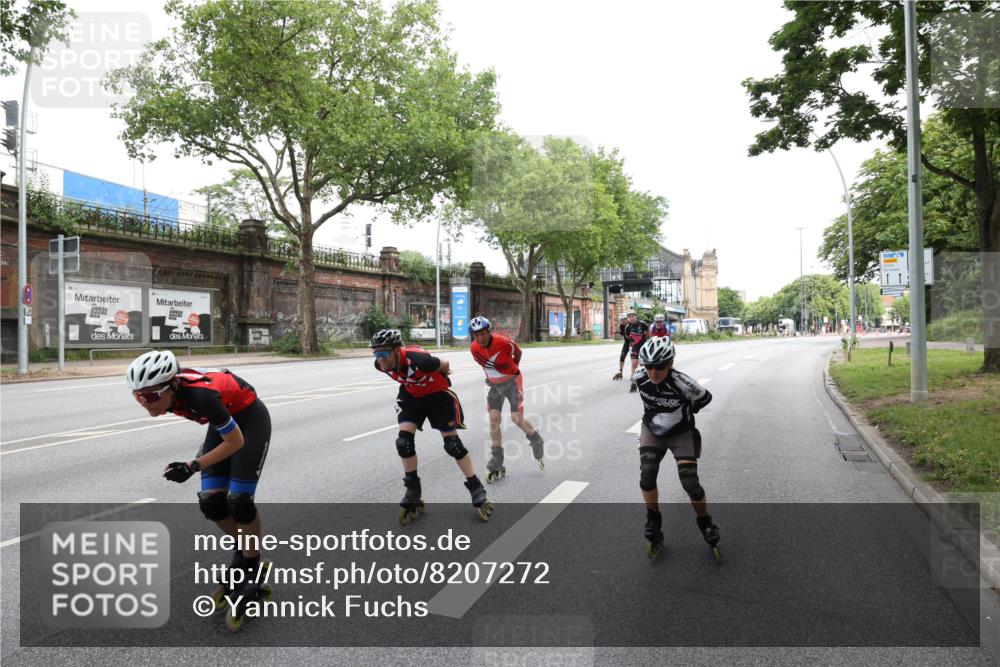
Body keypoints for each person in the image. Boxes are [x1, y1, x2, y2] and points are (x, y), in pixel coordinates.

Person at [125, 350, 272, 619]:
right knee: (211, 503)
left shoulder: (200, 397)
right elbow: (220, 430)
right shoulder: (174, 393)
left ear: (172, 387)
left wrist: (193, 466)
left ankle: (251, 565)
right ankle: (244, 552)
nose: (145, 403)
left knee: (239, 501)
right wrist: (196, 461)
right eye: (138, 396)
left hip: (250, 420)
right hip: (224, 420)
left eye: (150, 396)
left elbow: (236, 442)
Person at [370, 328, 493, 523]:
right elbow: (402, 378)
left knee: (453, 445)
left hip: (438, 397)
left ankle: (476, 486)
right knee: (404, 443)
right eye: (376, 354)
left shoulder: (420, 359)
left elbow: (445, 365)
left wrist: (443, 373)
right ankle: (413, 490)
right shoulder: (380, 365)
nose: (380, 359)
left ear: (396, 351)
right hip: (411, 397)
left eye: (384, 353)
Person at [631, 336, 720, 561]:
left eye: (659, 366)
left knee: (690, 482)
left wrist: (684, 415)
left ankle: (705, 522)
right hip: (652, 430)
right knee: (647, 475)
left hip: (681, 433)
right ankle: (653, 517)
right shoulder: (640, 377)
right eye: (648, 366)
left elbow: (705, 399)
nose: (653, 372)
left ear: (670, 363)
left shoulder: (684, 384)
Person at [467, 316, 545, 482]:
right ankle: (497, 458)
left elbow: (518, 352)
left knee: (516, 418)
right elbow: (486, 366)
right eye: (476, 335)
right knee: (494, 419)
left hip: (513, 381)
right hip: (495, 386)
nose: (480, 338)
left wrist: (512, 368)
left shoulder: (503, 342)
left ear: (489, 331)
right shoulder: (474, 348)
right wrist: (492, 378)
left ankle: (535, 438)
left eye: (482, 334)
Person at [613, 312, 649, 393]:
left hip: (643, 346)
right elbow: (627, 336)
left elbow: (648, 331)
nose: (631, 318)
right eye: (629, 317)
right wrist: (633, 341)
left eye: (633, 316)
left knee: (642, 364)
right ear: (628, 319)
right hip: (634, 346)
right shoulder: (627, 327)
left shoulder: (642, 324)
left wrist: (645, 339)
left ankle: (645, 378)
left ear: (636, 317)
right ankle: (634, 381)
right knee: (634, 363)